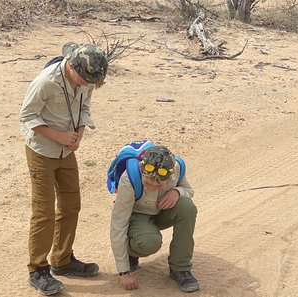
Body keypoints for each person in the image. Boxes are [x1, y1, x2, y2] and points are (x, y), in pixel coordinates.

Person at [19, 42, 108, 296]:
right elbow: (27, 116)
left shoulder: (87, 78)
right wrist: (60, 137)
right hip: (42, 151)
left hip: (67, 149)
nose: (86, 85)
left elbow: (84, 108)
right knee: (44, 212)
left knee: (71, 205)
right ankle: (38, 269)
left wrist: (78, 135)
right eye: (83, 79)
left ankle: (62, 259)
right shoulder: (46, 81)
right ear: (71, 66)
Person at [110, 145, 200, 292]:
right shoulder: (129, 179)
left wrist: (177, 191)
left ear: (169, 176)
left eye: (158, 184)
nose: (152, 187)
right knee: (150, 243)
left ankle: (180, 269)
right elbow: (118, 223)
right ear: (141, 170)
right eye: (147, 183)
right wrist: (124, 272)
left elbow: (189, 190)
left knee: (187, 208)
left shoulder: (176, 168)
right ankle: (131, 253)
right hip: (138, 216)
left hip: (162, 211)